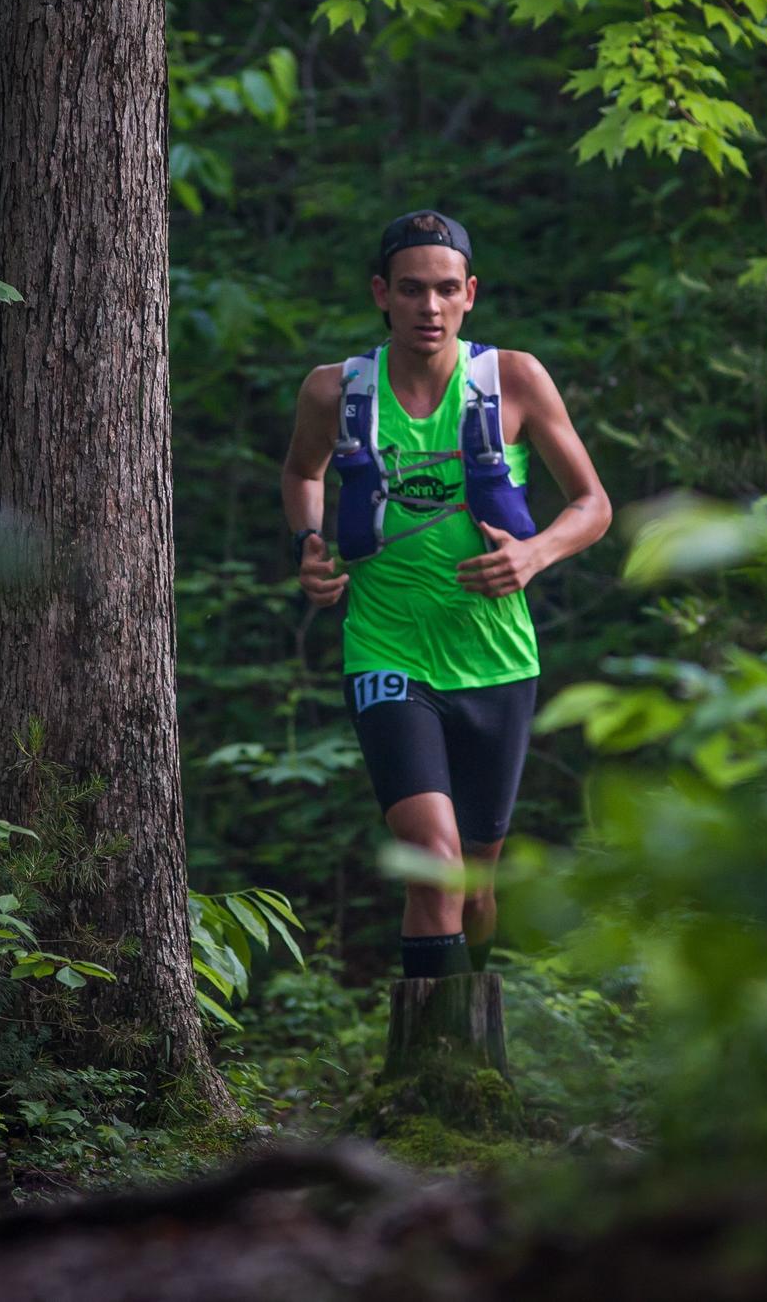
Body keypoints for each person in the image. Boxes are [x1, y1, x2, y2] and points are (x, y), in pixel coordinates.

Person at [281, 211, 611, 979]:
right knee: (434, 866)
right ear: (381, 295)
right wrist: (309, 543)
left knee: (475, 883)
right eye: (410, 290)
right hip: (386, 648)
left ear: (470, 294)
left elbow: (592, 504)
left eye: (443, 290)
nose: (428, 307)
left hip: (495, 659)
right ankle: (433, 1078)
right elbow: (302, 473)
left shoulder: (514, 380)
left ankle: (473, 1043)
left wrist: (533, 555)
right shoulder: (336, 391)